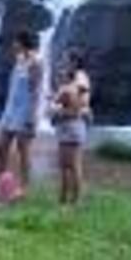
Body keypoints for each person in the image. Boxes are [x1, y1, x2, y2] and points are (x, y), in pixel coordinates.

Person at [0, 30, 43, 194]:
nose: (13, 45)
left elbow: (36, 92)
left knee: (24, 150)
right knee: (1, 147)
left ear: (22, 42)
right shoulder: (19, 59)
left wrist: (32, 117)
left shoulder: (36, 62)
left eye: (15, 42)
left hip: (25, 111)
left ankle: (24, 187)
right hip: (11, 110)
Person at [51, 52, 92, 206]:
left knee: (73, 164)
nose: (63, 63)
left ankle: (75, 201)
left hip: (73, 127)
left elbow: (79, 107)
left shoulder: (80, 81)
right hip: (65, 127)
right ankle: (63, 199)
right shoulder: (69, 82)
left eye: (66, 61)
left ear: (74, 63)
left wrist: (59, 112)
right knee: (64, 164)